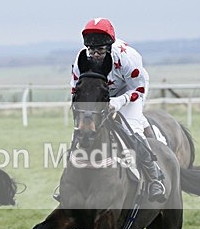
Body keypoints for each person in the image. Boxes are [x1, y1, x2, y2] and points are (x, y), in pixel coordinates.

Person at [70, 18, 167, 202]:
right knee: (81, 130)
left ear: (109, 47)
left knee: (132, 128)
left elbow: (138, 90)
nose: (95, 55)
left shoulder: (127, 58)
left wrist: (118, 102)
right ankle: (69, 181)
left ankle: (155, 178)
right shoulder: (81, 59)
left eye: (100, 50)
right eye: (92, 50)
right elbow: (76, 90)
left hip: (130, 90)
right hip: (101, 93)